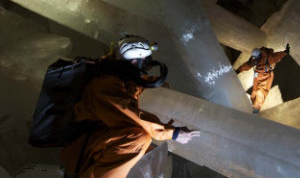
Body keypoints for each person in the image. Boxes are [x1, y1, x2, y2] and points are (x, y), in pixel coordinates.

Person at [61, 35, 200, 178]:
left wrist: (160, 87)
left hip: (102, 141)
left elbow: (135, 87)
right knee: (139, 139)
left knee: (150, 151)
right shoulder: (103, 86)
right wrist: (173, 133)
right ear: (134, 61)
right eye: (145, 62)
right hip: (86, 148)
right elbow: (133, 115)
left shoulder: (117, 79)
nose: (146, 67)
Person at [236, 44, 290, 113]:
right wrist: (239, 70)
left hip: (265, 77)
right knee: (254, 92)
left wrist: (285, 52)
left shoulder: (268, 58)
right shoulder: (255, 59)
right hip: (257, 76)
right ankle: (253, 102)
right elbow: (248, 64)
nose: (254, 60)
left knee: (260, 93)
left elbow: (276, 56)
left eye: (256, 59)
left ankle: (256, 108)